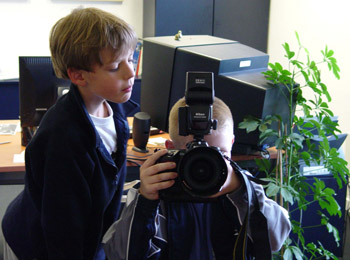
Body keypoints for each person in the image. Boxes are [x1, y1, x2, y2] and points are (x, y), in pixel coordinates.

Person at [2, 7, 138, 260]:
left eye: (131, 59)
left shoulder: (115, 107)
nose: (130, 72)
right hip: (41, 242)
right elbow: (62, 228)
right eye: (114, 67)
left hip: (87, 231)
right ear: (77, 75)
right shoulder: (63, 138)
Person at [102, 97, 292, 260]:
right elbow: (119, 254)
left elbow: (274, 241)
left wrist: (240, 191)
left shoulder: (240, 185)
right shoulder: (161, 187)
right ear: (170, 148)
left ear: (232, 144)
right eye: (195, 156)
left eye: (219, 154)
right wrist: (145, 202)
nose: (207, 167)